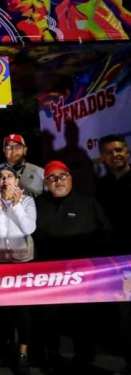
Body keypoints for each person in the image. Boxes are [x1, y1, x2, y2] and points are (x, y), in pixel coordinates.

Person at [33, 160, 113, 374]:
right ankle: (51, 355)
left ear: (70, 178)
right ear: (45, 183)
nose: (58, 181)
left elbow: (106, 234)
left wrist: (96, 264)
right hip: (49, 275)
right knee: (49, 318)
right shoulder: (37, 204)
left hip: (83, 275)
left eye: (62, 176)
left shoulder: (88, 203)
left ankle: (84, 359)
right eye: (52, 177)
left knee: (83, 319)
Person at [0, 165, 36, 374]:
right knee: (1, 310)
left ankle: (23, 352)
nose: (5, 180)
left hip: (22, 263)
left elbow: (29, 228)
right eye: (1, 177)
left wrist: (17, 205)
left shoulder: (27, 201)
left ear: (17, 179)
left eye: (9, 176)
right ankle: (5, 346)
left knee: (22, 311)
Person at [95, 134, 131, 374]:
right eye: (108, 152)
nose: (114, 155)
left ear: (127, 152)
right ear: (102, 157)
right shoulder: (102, 186)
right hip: (118, 262)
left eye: (118, 150)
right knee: (126, 315)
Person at [0, 134, 44, 198]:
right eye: (8, 147)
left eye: (18, 146)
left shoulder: (41, 173)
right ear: (4, 150)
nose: (13, 150)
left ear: (25, 150)